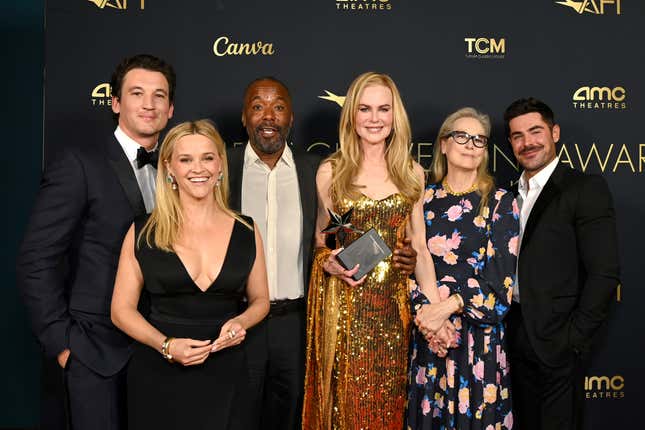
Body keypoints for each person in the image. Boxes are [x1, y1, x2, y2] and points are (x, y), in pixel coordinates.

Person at [226, 77, 418, 430]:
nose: (269, 116)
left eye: (278, 107)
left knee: (292, 415)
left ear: (291, 117)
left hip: (295, 322)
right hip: (236, 321)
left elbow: (330, 239)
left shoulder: (310, 167)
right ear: (243, 116)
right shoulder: (223, 169)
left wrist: (410, 260)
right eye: (258, 106)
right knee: (235, 415)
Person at [16, 54, 175, 430]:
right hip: (92, 350)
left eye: (158, 95)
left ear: (171, 109)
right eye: (137, 93)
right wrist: (63, 345)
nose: (148, 104)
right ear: (116, 102)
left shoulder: (177, 169)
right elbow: (36, 259)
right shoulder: (79, 163)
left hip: (156, 349)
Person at [302, 72, 451, 429]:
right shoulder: (331, 171)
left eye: (383, 109)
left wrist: (434, 313)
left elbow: (420, 247)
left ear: (395, 115)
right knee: (346, 409)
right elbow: (322, 241)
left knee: (387, 405)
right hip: (345, 309)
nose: (374, 118)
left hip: (391, 310)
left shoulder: (412, 172)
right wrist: (330, 263)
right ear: (351, 115)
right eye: (365, 109)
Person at [111, 119, 270, 429]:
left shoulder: (247, 230)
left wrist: (241, 322)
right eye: (186, 159)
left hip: (228, 373)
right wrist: (167, 346)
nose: (199, 168)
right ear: (170, 167)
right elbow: (120, 311)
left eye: (208, 157)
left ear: (220, 164)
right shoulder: (143, 231)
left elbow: (261, 299)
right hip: (158, 373)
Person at [504, 98, 620, 430]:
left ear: (554, 133)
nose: (528, 143)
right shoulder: (508, 195)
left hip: (558, 344)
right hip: (512, 339)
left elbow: (604, 273)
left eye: (536, 131)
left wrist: (572, 341)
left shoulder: (584, 188)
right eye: (517, 136)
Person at [407, 107, 519, 429]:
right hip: (431, 340)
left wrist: (447, 308)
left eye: (479, 140)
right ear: (443, 144)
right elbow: (407, 266)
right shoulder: (422, 199)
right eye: (461, 136)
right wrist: (428, 316)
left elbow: (500, 285)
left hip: (477, 346)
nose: (470, 144)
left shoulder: (500, 202)